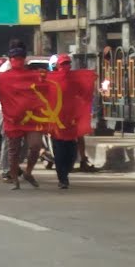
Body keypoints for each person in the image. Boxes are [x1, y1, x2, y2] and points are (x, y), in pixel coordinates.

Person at [0, 39, 41, 191]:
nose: (18, 61)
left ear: (24, 59)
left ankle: (27, 172)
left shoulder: (32, 74)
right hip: (12, 118)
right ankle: (14, 178)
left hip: (31, 117)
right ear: (10, 59)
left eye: (20, 58)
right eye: (15, 58)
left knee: (35, 146)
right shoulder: (2, 75)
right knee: (13, 151)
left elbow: (44, 90)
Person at [51, 54, 78, 189]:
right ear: (57, 66)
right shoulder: (52, 80)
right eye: (63, 64)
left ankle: (65, 172)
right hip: (56, 122)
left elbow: (83, 93)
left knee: (72, 151)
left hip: (71, 121)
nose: (65, 67)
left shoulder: (75, 80)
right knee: (59, 151)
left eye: (67, 64)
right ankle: (62, 178)